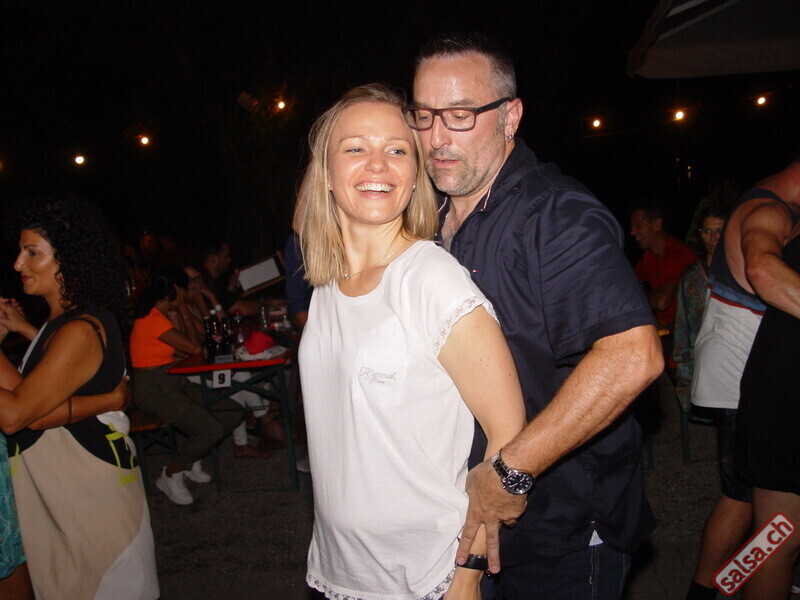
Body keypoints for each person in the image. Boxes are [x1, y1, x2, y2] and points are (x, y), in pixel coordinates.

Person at [407, 32, 663, 598]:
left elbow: (633, 355)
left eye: (460, 115)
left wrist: (510, 470)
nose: (436, 137)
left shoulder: (554, 214)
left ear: (510, 116)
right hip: (465, 522)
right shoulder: (430, 215)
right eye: (424, 116)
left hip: (559, 527)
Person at [297, 83, 526, 599]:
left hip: (427, 574)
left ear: (416, 174)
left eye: (397, 150)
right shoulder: (328, 286)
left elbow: (508, 434)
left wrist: (467, 575)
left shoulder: (430, 280)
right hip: (339, 570)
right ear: (326, 174)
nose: (378, 165)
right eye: (355, 148)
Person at [0, 198, 159, 600]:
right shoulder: (62, 323)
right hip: (71, 496)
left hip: (91, 502)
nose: (18, 264)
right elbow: (32, 392)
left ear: (67, 260)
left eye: (32, 253)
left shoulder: (80, 329)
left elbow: (17, 414)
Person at [686, 157, 800, 600]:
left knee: (762, 515)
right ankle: (706, 591)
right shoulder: (768, 210)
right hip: (743, 380)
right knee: (746, 503)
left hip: (750, 379)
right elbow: (762, 270)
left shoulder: (776, 206)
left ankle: (719, 587)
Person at [130, 266, 245, 504]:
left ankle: (189, 460)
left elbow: (189, 349)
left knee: (232, 412)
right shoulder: (152, 319)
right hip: (153, 389)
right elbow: (194, 348)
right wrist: (182, 308)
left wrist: (181, 314)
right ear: (176, 291)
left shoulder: (161, 317)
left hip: (173, 381)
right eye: (185, 289)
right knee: (209, 429)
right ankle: (170, 473)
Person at [736, 220, 800, 600]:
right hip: (784, 396)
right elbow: (761, 269)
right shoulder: (771, 212)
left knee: (772, 538)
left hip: (776, 392)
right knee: (773, 538)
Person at [672, 205, 727, 412]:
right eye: (707, 231)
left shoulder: (740, 272)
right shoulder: (692, 276)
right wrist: (684, 371)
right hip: (702, 363)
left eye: (719, 230)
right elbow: (682, 326)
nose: (713, 238)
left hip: (734, 362)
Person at [630, 200, 696, 332]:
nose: (632, 232)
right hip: (663, 325)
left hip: (684, 329)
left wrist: (636, 299)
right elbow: (630, 285)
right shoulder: (649, 254)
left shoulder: (677, 254)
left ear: (657, 224)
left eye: (638, 226)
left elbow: (661, 302)